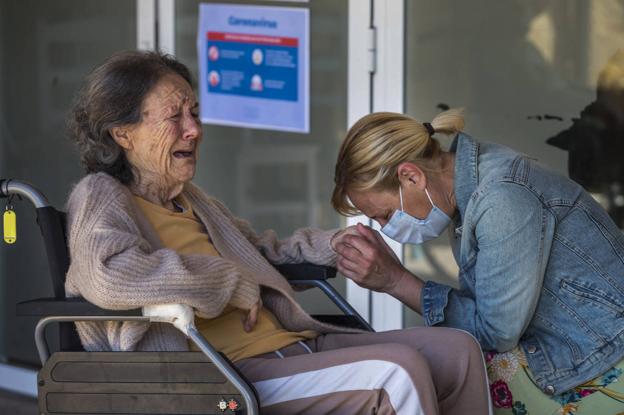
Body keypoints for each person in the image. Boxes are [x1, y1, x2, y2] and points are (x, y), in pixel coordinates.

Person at [64, 50, 490, 415]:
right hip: (223, 375)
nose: (193, 129)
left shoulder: (192, 201)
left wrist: (331, 245)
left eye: (193, 113)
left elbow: (260, 254)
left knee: (458, 350)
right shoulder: (102, 196)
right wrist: (229, 283)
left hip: (292, 346)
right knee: (396, 373)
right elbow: (108, 275)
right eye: (174, 117)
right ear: (122, 134)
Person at [332, 108, 624, 413]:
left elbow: (495, 333)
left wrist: (396, 281)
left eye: (385, 214)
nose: (384, 227)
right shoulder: (467, 185)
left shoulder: (501, 199)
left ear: (411, 176)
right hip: (587, 343)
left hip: (604, 357)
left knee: (443, 376)